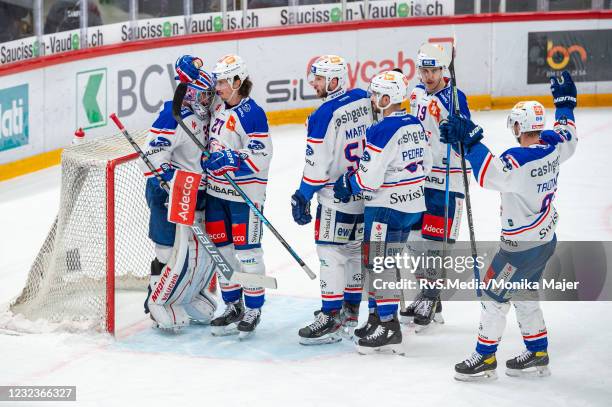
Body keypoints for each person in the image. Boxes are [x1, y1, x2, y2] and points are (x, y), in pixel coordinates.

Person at [443, 71, 577, 381]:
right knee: (525, 295)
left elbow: (489, 173)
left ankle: (485, 357)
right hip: (545, 241)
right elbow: (567, 132)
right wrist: (566, 103)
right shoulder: (553, 147)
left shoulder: (517, 160)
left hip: (520, 250)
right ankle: (538, 352)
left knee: (493, 296)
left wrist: (471, 138)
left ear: (519, 127)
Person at [333, 70, 431, 354]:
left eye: (377, 94)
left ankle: (389, 325)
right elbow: (428, 162)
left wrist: (348, 184)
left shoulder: (381, 129)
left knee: (380, 265)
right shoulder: (415, 123)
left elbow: (369, 180)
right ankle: (377, 317)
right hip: (412, 205)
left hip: (385, 207)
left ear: (389, 97)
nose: (373, 98)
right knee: (385, 262)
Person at [291, 55, 373, 345]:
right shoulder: (364, 98)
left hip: (334, 198)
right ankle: (351, 311)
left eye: (319, 78)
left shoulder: (323, 114)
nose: (313, 83)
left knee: (330, 253)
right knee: (352, 252)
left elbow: (317, 168)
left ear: (335, 80)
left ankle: (329, 316)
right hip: (362, 191)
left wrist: (303, 194)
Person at [141, 56, 217, 330]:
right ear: (193, 94)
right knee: (167, 250)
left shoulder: (204, 114)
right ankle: (155, 300)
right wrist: (170, 180)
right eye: (206, 94)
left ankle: (186, 294)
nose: (210, 99)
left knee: (193, 252)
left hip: (194, 193)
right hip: (168, 194)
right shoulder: (172, 117)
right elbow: (150, 156)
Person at [199, 54, 272, 340]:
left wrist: (232, 158)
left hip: (245, 197)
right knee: (222, 254)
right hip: (217, 194)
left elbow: (261, 156)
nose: (217, 87)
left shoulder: (253, 113)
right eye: (217, 81)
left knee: (248, 255)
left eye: (222, 82)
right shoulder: (218, 106)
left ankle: (253, 309)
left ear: (238, 82)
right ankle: (233, 305)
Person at [402, 43, 471, 330]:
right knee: (413, 240)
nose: (428, 76)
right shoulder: (416, 92)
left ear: (443, 70)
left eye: (433, 70)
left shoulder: (455, 97)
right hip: (419, 177)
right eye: (424, 70)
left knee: (435, 241)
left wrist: (458, 129)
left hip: (447, 176)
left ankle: (431, 295)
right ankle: (429, 294)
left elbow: (469, 132)